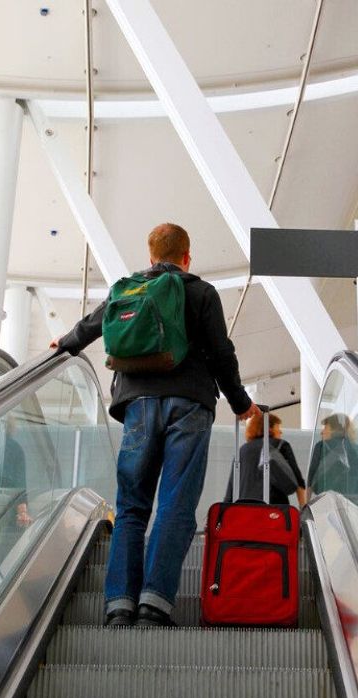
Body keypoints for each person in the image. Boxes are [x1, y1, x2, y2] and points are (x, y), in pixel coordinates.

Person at [50, 222, 260, 628]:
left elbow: (94, 325)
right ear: (187, 256)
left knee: (131, 506)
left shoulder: (126, 288)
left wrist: (66, 343)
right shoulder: (201, 292)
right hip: (190, 407)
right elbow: (221, 353)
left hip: (138, 407)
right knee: (176, 504)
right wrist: (240, 402)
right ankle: (154, 604)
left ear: (150, 257)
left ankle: (118, 606)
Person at [226, 411, 307, 507]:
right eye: (278, 427)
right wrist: (303, 511)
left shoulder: (241, 451)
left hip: (245, 512)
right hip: (273, 511)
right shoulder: (280, 445)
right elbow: (299, 483)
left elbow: (230, 492)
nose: (281, 431)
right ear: (269, 429)